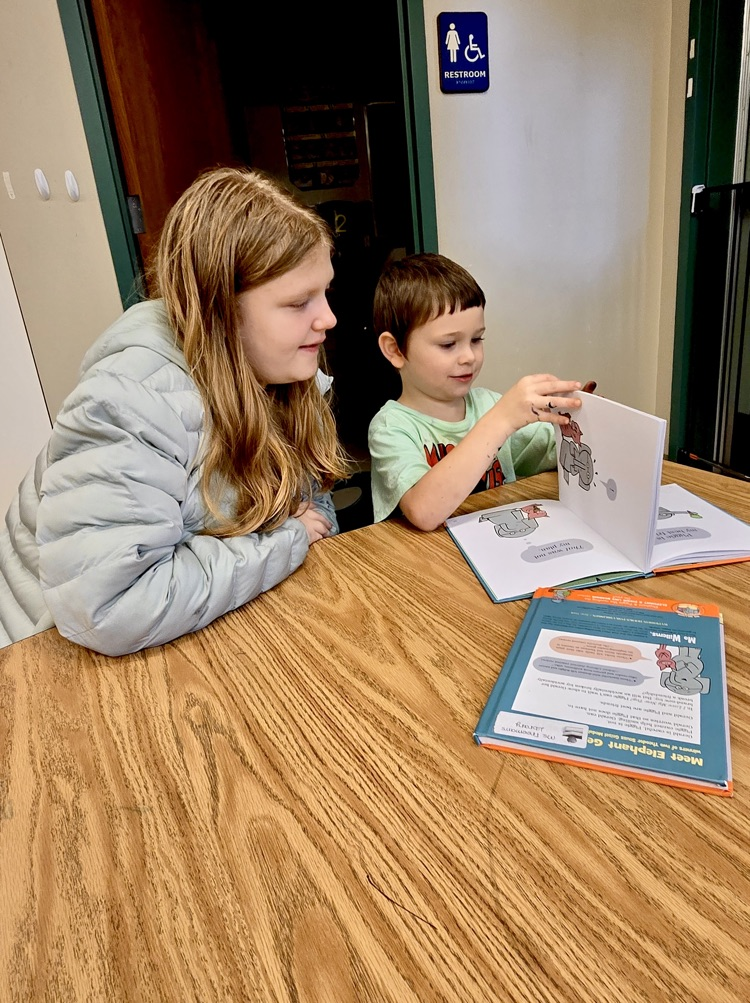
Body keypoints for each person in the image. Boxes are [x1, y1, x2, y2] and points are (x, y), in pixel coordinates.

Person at [0, 167, 348, 655]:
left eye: (325, 292)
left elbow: (315, 508)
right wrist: (281, 542)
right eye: (298, 302)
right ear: (220, 310)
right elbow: (112, 607)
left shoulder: (285, 374)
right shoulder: (127, 404)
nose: (328, 318)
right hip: (42, 661)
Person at [368, 253, 585, 530]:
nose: (469, 356)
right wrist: (502, 420)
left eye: (476, 339)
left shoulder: (487, 404)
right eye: (448, 344)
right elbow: (424, 511)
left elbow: (559, 450)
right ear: (395, 350)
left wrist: (579, 421)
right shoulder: (391, 427)